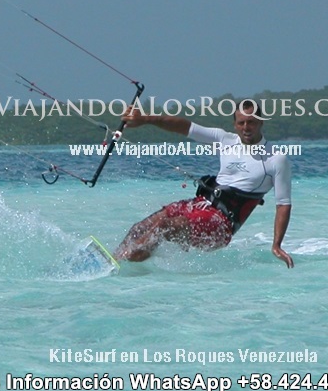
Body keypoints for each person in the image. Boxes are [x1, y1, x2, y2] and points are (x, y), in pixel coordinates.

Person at [114, 99, 294, 268]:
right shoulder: (226, 140)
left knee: (164, 227)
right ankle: (113, 259)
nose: (246, 128)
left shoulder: (276, 159)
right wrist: (146, 119)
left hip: (221, 224)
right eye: (241, 123)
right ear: (235, 124)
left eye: (252, 122)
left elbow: (283, 204)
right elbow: (186, 128)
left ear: (261, 123)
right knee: (141, 227)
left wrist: (276, 245)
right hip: (199, 206)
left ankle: (124, 266)